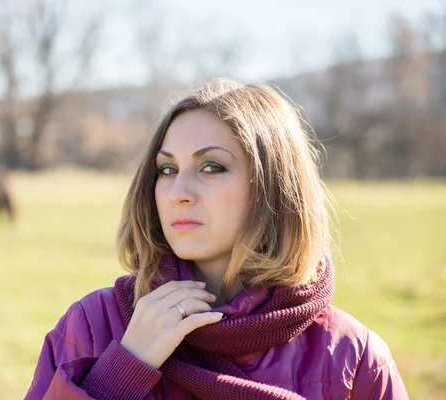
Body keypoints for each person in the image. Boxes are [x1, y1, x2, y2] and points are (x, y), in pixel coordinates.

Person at [23, 79, 408, 399]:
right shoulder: (93, 326)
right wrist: (123, 368)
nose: (178, 191)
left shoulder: (353, 357)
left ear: (272, 188)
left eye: (211, 167)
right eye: (167, 168)